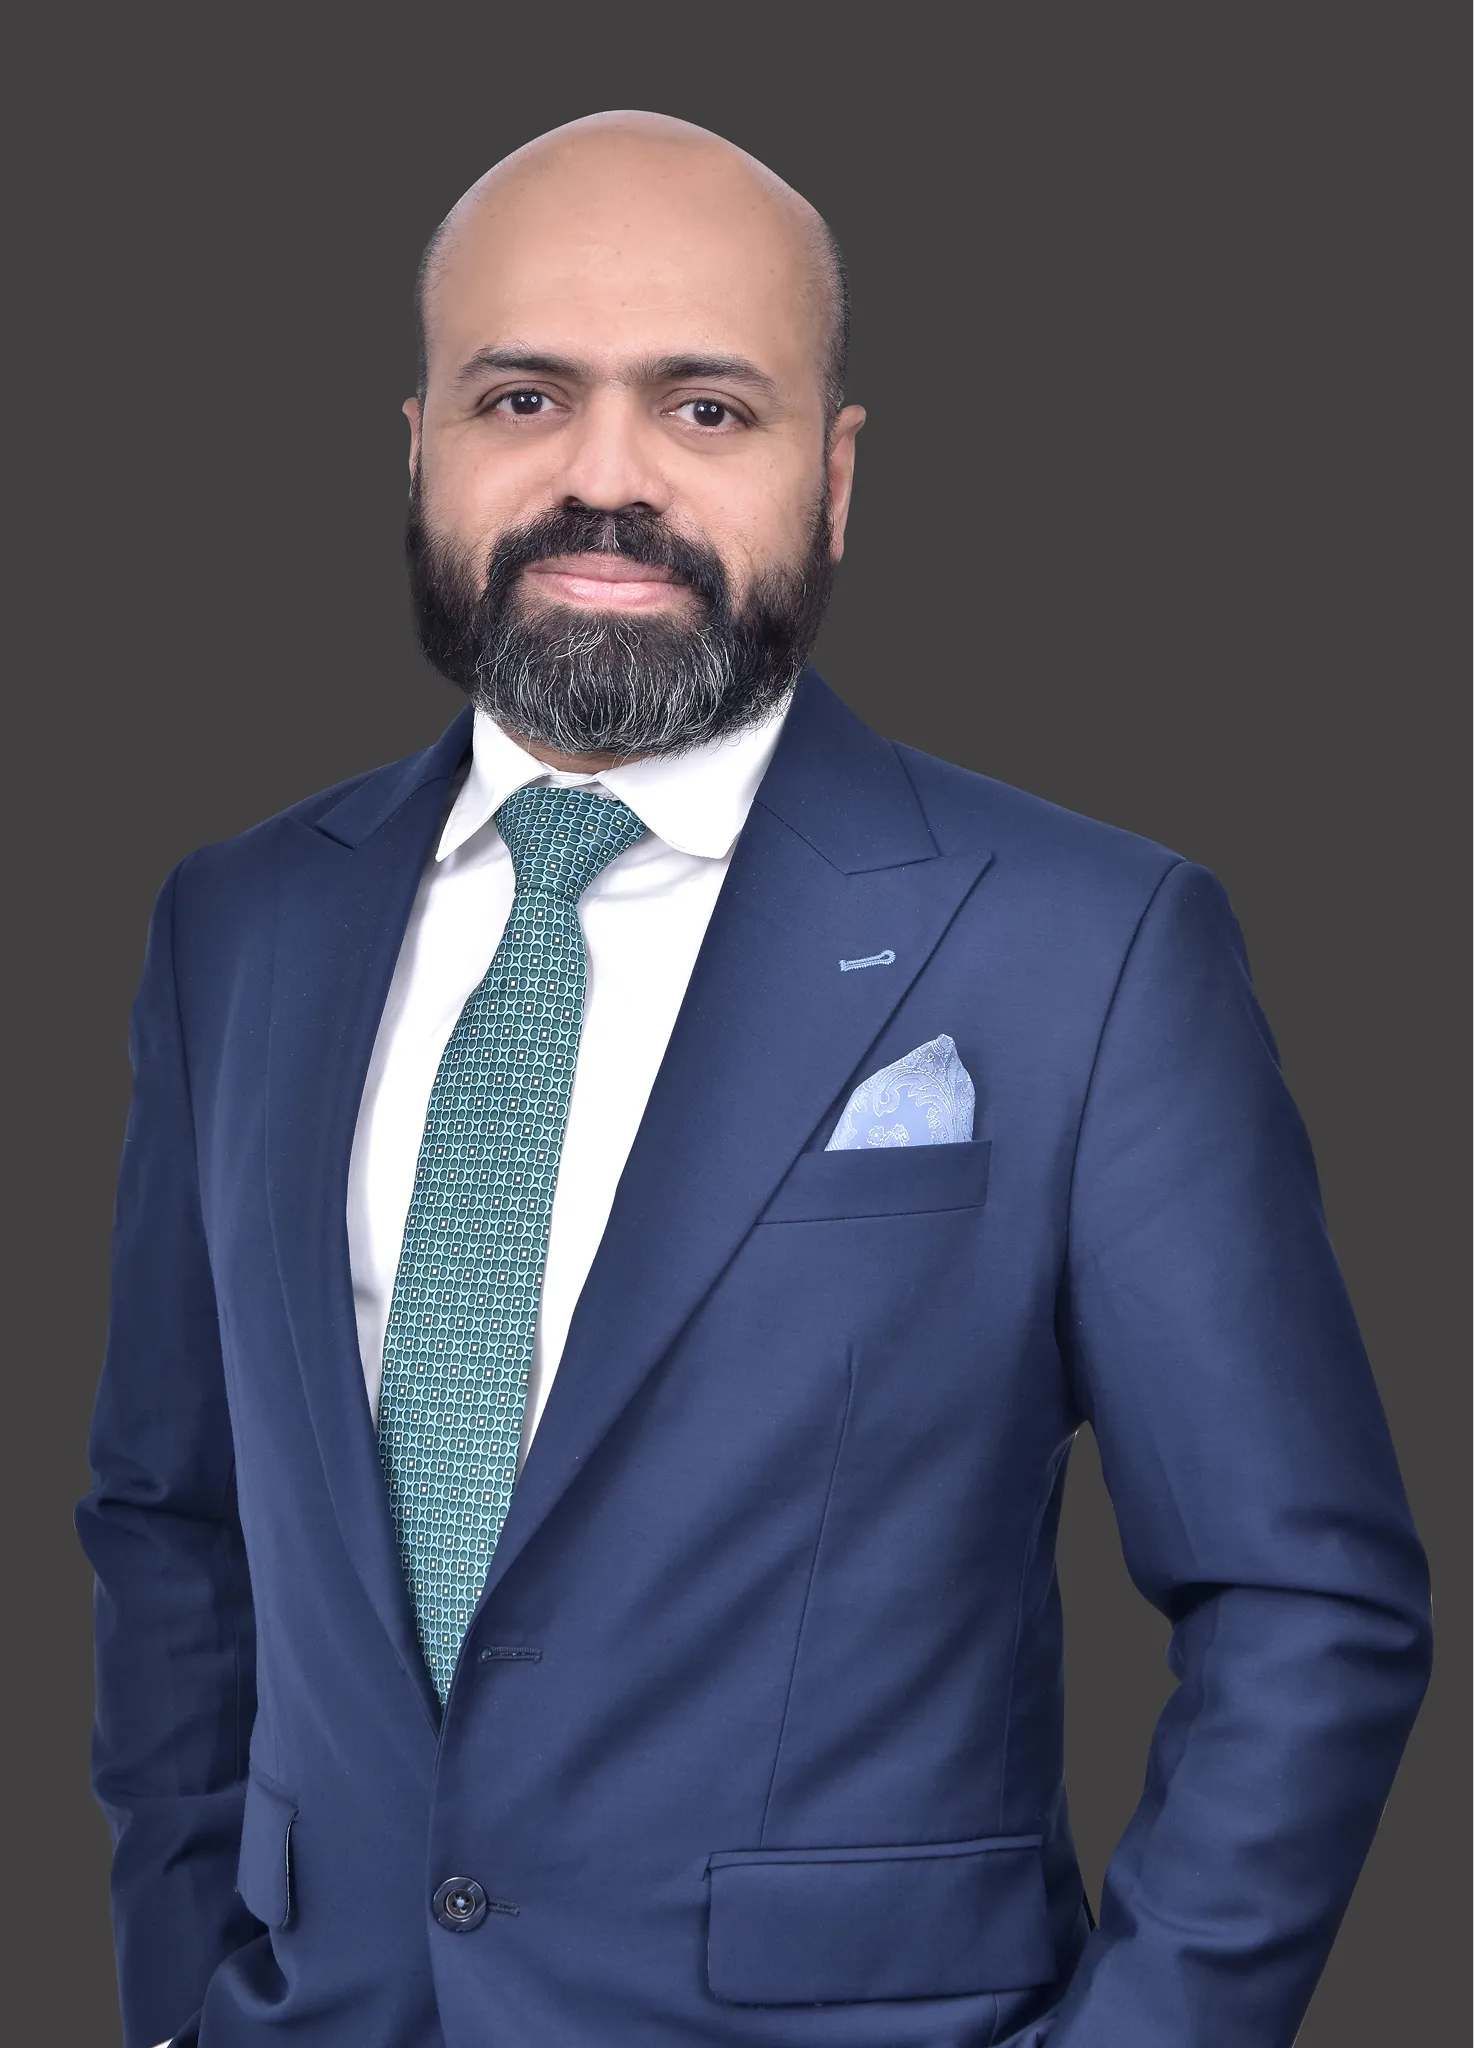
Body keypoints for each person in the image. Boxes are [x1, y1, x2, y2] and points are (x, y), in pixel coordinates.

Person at [78, 111, 1431, 2048]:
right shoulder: (236, 928)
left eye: (705, 408)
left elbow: (1303, 1605)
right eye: (522, 396)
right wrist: (176, 1995)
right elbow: (167, 1517)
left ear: (835, 469)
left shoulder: (1086, 945)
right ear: (416, 445)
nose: (601, 480)